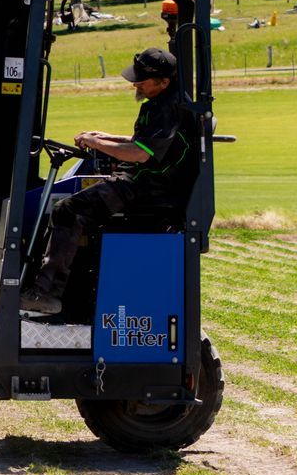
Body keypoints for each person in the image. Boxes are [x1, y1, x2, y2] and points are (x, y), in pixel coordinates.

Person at [19, 47, 192, 317]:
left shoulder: (168, 109)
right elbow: (143, 143)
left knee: (68, 210)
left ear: (164, 82)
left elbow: (139, 154)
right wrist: (105, 137)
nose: (135, 84)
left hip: (146, 188)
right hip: (140, 181)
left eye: (142, 80)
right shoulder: (161, 104)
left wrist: (97, 142)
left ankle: (46, 294)